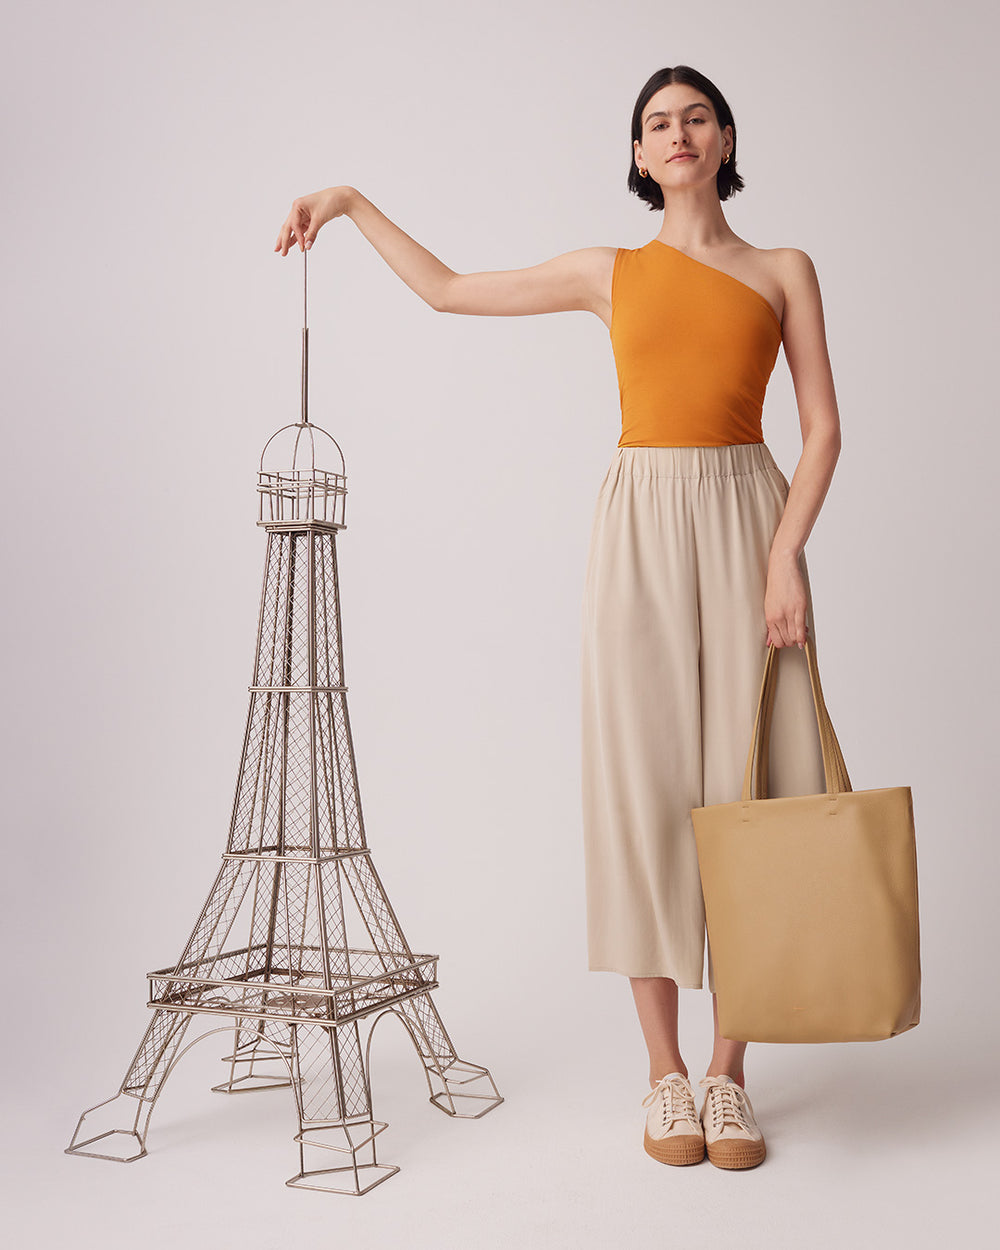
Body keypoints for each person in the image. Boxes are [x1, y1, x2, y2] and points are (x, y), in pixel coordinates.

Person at [274, 64, 841, 1172]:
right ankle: (661, 1071)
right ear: (637, 156)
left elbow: (821, 428)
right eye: (654, 125)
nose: (675, 135)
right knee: (642, 782)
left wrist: (786, 555)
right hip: (637, 524)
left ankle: (728, 1075)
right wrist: (344, 201)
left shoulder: (783, 270)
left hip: (746, 521)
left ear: (725, 138)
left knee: (756, 786)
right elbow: (444, 290)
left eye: (693, 119)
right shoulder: (607, 271)